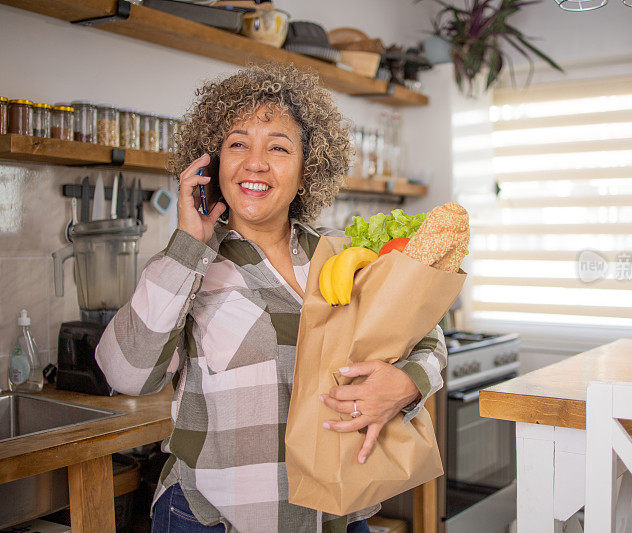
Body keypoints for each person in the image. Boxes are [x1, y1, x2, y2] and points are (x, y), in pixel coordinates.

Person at [95, 62, 447, 533]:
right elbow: (125, 373)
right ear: (212, 165)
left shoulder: (342, 254)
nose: (255, 163)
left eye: (278, 148)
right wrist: (188, 241)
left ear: (307, 171)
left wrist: (407, 385)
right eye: (237, 144)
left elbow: (426, 335)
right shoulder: (187, 263)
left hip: (334, 517)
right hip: (214, 520)